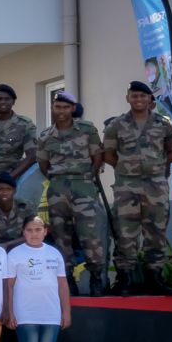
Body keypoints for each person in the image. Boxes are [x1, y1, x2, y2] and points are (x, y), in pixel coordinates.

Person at [103, 80, 172, 293]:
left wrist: (158, 167)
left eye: (142, 96)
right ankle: (125, 280)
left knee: (156, 232)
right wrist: (126, 168)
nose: (138, 99)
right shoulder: (116, 125)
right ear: (128, 98)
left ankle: (155, 279)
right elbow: (109, 154)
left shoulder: (163, 124)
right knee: (125, 233)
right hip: (126, 186)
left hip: (155, 186)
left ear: (150, 99)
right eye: (134, 96)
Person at [37, 91, 107, 294]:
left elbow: (97, 157)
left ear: (73, 109)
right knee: (61, 236)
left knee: (90, 235)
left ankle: (96, 278)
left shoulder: (87, 129)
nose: (61, 111)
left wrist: (88, 177)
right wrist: (57, 179)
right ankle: (68, 280)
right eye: (58, 107)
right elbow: (43, 164)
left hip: (83, 185)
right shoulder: (45, 136)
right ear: (52, 107)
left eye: (66, 107)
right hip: (57, 188)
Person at [5, 217, 72, 342]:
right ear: (23, 232)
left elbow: (62, 284)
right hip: (25, 312)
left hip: (51, 312)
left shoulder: (54, 253)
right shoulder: (15, 254)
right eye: (29, 230)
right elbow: (9, 286)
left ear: (45, 231)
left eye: (37, 229)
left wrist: (66, 311)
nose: (34, 234)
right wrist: (10, 311)